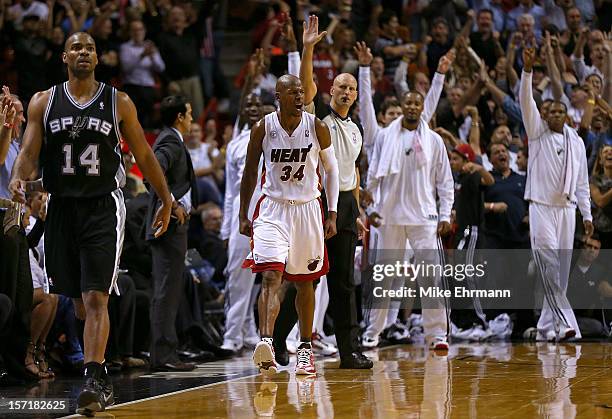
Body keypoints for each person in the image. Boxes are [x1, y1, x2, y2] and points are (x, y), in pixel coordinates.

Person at [8, 32, 173, 416]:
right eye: (77, 47)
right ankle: (97, 361)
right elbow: (30, 152)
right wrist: (18, 177)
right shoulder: (43, 102)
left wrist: (165, 198)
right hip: (61, 207)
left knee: (97, 296)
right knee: (80, 301)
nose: (84, 52)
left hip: (103, 206)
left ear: (98, 58)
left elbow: (145, 155)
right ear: (65, 56)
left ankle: (95, 376)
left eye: (91, 48)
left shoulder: (119, 102)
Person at [239, 74, 339, 376]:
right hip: (273, 208)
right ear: (278, 97)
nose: (299, 96)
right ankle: (266, 343)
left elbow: (331, 171)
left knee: (304, 282)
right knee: (271, 276)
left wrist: (332, 212)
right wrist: (243, 213)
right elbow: (249, 172)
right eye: (292, 92)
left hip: (308, 209)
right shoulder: (263, 128)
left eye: (301, 92)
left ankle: (305, 349)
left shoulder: (316, 126)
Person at [365, 89, 454, 351]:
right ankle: (373, 332)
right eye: (409, 102)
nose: (413, 106)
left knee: (431, 277)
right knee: (384, 279)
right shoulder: (384, 136)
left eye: (417, 103)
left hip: (424, 218)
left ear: (423, 107)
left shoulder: (434, 140)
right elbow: (373, 174)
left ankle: (437, 334)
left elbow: (445, 181)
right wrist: (370, 209)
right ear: (402, 106)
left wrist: (446, 213)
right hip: (389, 216)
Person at [519, 46, 593, 342]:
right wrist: (527, 71)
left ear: (567, 116)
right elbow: (526, 102)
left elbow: (583, 183)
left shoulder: (575, 141)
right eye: (548, 111)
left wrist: (586, 214)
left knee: (559, 274)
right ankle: (565, 324)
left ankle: (546, 327)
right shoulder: (537, 133)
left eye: (559, 110)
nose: (553, 114)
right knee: (549, 266)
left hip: (567, 210)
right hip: (541, 207)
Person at [145, 95, 198, 372]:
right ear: (179, 116)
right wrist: (172, 204)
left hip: (172, 228)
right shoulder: (169, 141)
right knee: (166, 290)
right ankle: (163, 354)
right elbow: (151, 172)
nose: (192, 119)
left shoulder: (171, 138)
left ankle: (168, 350)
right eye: (189, 113)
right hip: (167, 227)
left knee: (170, 289)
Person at [220, 93, 262, 353]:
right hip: (241, 209)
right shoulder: (235, 144)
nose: (253, 108)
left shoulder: (274, 137)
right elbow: (228, 191)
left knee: (267, 275)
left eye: (258, 104)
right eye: (248, 105)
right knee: (238, 274)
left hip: (269, 208)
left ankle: (249, 330)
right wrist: (227, 227)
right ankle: (232, 335)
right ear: (242, 111)